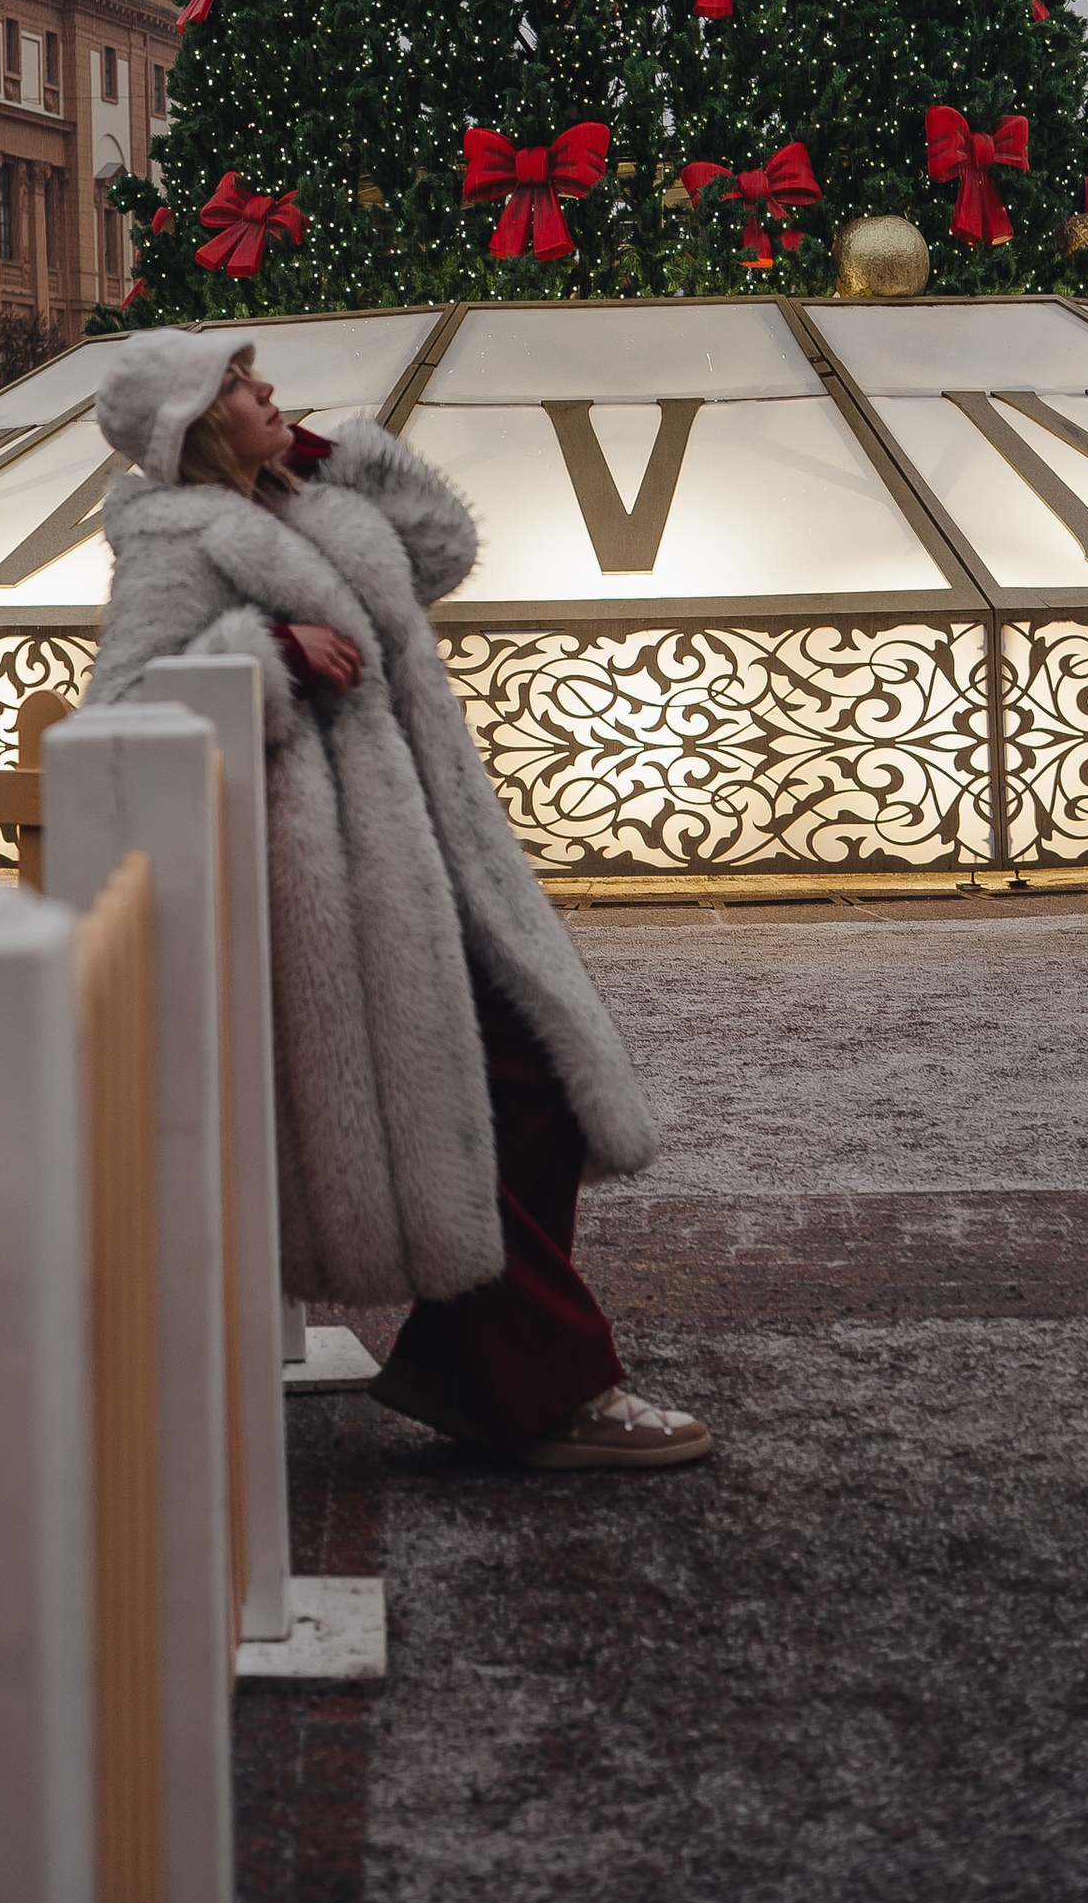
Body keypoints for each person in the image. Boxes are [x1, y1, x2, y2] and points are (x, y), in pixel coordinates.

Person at [87, 328, 709, 1472]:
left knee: (541, 1089)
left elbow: (439, 544)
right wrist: (260, 649)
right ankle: (556, 1385)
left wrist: (325, 455)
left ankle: (463, 1364)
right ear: (192, 424)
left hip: (438, 859)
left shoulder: (305, 508)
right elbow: (119, 707)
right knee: (476, 1104)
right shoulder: (175, 544)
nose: (267, 389)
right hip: (337, 902)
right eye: (238, 385)